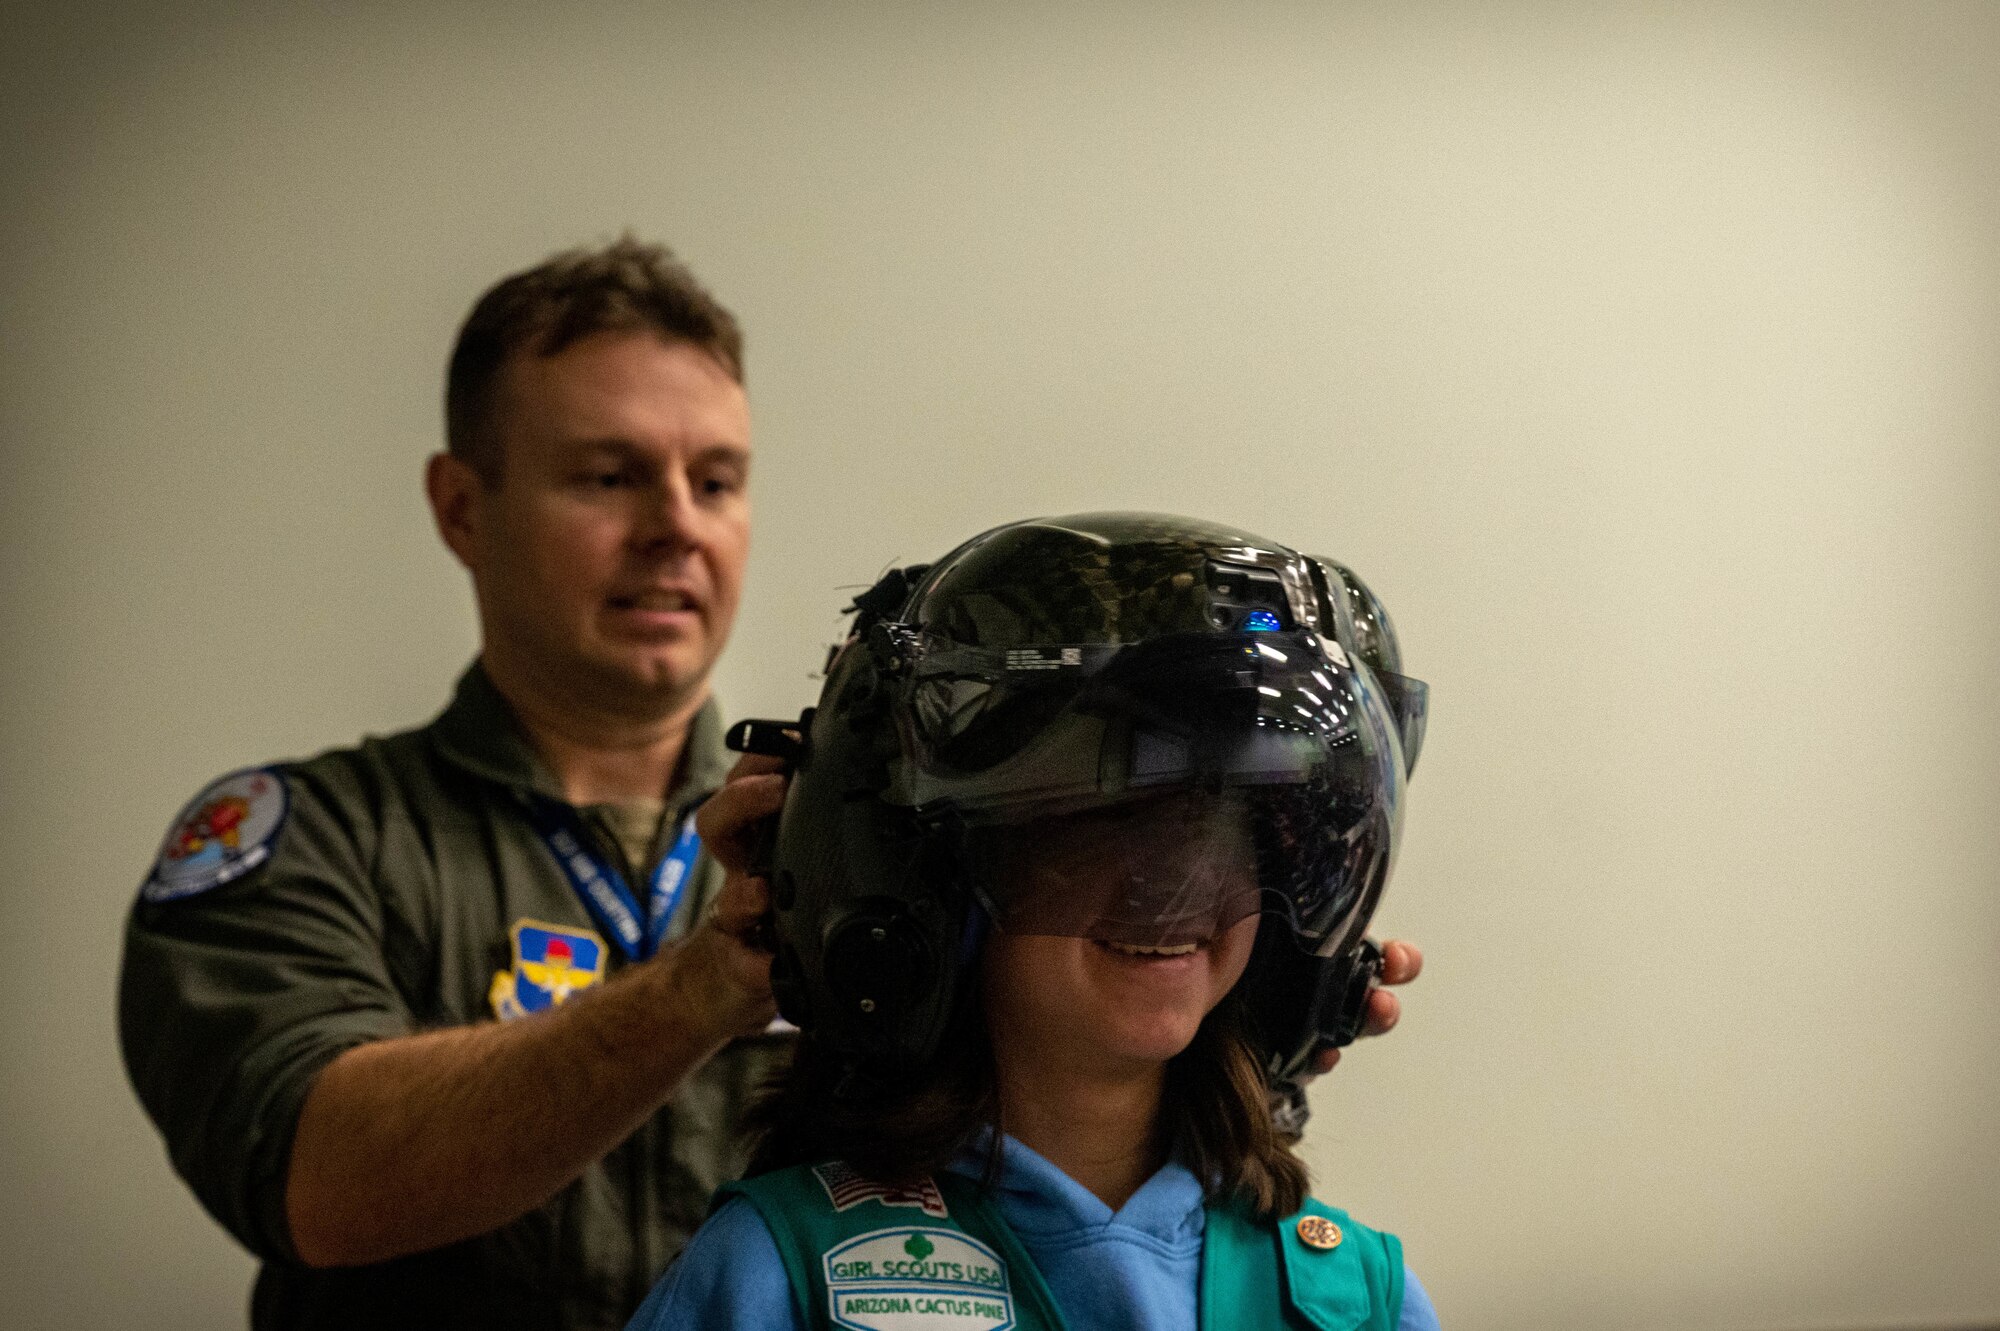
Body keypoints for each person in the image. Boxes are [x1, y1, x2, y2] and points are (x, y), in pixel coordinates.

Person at [118, 241, 1421, 1330]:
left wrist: (1251, 976)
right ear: (463, 504)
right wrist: (719, 974)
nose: (675, 521)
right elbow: (323, 1177)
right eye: (608, 473)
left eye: (716, 478)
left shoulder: (916, 816)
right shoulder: (313, 844)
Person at [628, 512, 1439, 1330]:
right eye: (1109, 822)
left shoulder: (1358, 1298)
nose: (1179, 884)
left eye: (1217, 827)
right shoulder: (774, 1272)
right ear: (939, 879)